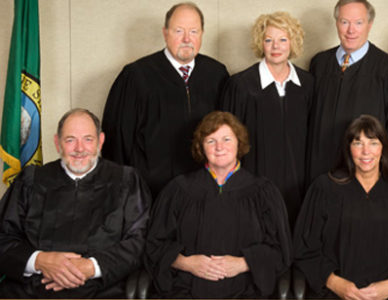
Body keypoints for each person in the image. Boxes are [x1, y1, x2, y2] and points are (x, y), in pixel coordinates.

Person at [0, 108, 151, 298]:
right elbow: (4, 236)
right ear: (57, 143)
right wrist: (39, 260)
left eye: (88, 139)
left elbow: (139, 240)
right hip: (32, 290)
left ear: (101, 141)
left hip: (101, 290)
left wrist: (91, 266)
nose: (80, 149)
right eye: (70, 140)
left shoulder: (126, 181)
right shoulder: (32, 180)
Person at [144, 111, 292, 298]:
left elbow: (281, 251)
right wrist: (187, 263)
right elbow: (154, 246)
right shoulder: (178, 190)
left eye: (227, 139)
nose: (219, 147)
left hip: (245, 292)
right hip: (186, 290)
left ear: (239, 143)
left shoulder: (263, 192)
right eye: (211, 141)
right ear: (201, 147)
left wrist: (243, 263)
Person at [102, 2, 229, 197]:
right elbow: (117, 142)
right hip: (150, 194)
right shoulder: (136, 76)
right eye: (179, 31)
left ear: (202, 33)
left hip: (206, 192)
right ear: (165, 33)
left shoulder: (217, 74)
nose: (187, 39)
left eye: (194, 31)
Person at [295, 115, 388, 299]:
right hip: (335, 294)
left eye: (373, 143)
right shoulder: (324, 188)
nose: (366, 152)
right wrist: (335, 283)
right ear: (348, 149)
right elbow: (305, 247)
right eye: (358, 143)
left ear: (383, 148)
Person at [306, 0, 388, 183]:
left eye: (358, 22)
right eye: (344, 22)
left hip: (364, 181)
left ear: (369, 25)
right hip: (319, 176)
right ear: (336, 23)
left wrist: (374, 174)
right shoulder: (319, 64)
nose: (351, 30)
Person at [220, 11, 313, 228]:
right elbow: (227, 140)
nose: (276, 46)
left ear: (293, 42)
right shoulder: (241, 85)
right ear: (260, 43)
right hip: (254, 179)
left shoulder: (308, 85)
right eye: (268, 40)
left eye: (283, 39)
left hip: (297, 182)